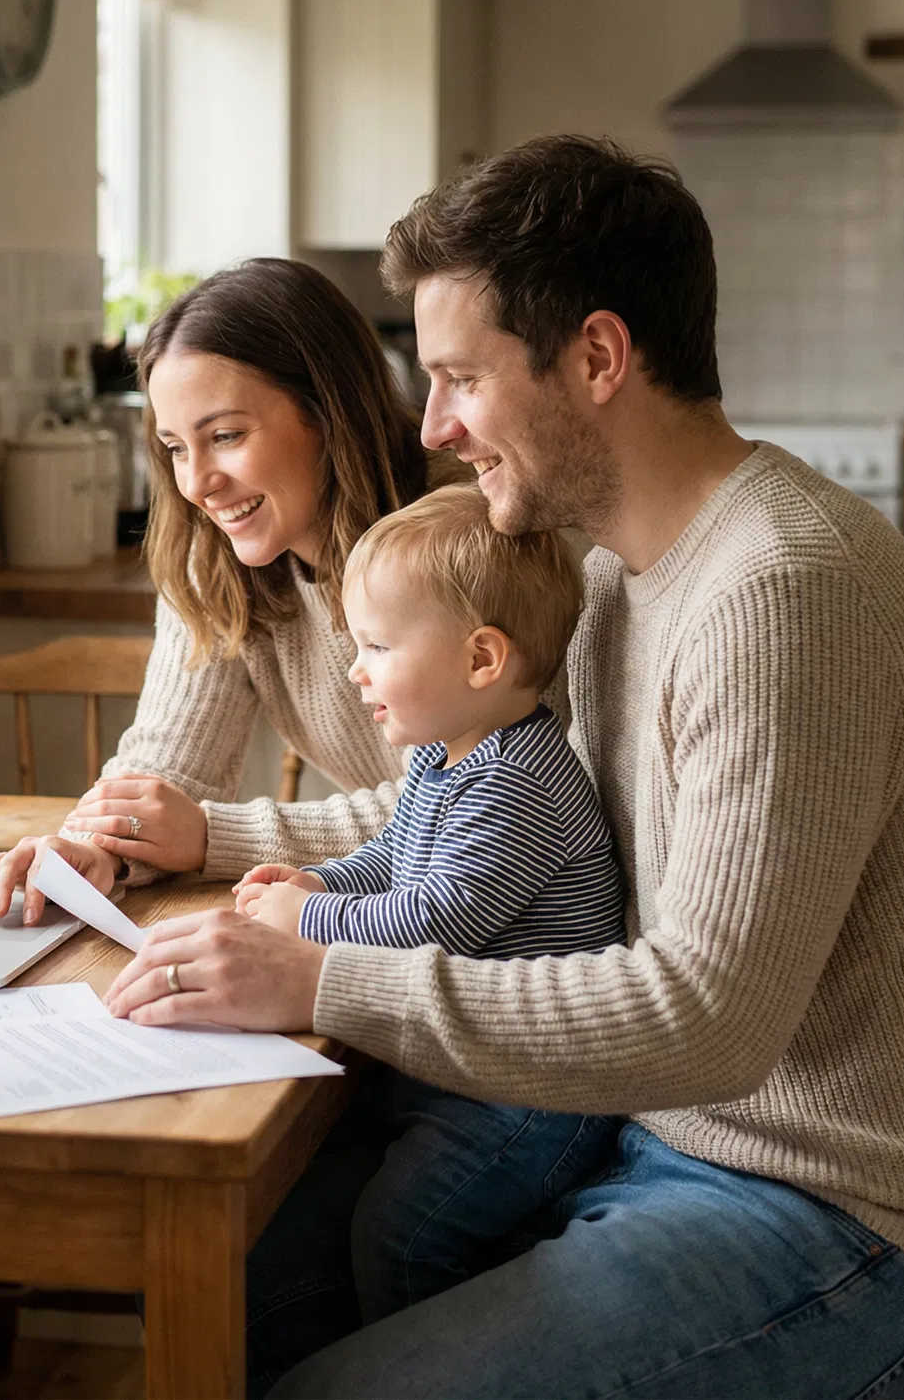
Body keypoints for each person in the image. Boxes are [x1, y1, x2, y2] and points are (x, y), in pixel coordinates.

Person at [102, 135, 904, 1398]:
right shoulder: (607, 575)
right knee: (229, 1292)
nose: (435, 425)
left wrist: (329, 979)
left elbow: (703, 1016)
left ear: (597, 358)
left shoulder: (783, 591)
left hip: (850, 1220)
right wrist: (231, 853)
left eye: (460, 380)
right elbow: (479, 808)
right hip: (661, 1144)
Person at [0, 258, 458, 921]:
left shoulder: (460, 536)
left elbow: (469, 801)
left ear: (328, 411)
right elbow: (170, 762)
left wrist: (209, 835)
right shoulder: (219, 559)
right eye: (174, 447)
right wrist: (94, 846)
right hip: (390, 901)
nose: (196, 485)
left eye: (224, 436)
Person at [233, 481, 625, 1324]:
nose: (355, 670)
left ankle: (419, 1358)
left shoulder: (519, 783)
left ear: (481, 660)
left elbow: (433, 918)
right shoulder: (447, 755)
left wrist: (301, 925)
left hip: (532, 1094)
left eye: (375, 646)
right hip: (464, 1066)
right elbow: (396, 860)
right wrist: (319, 884)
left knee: (402, 1232)